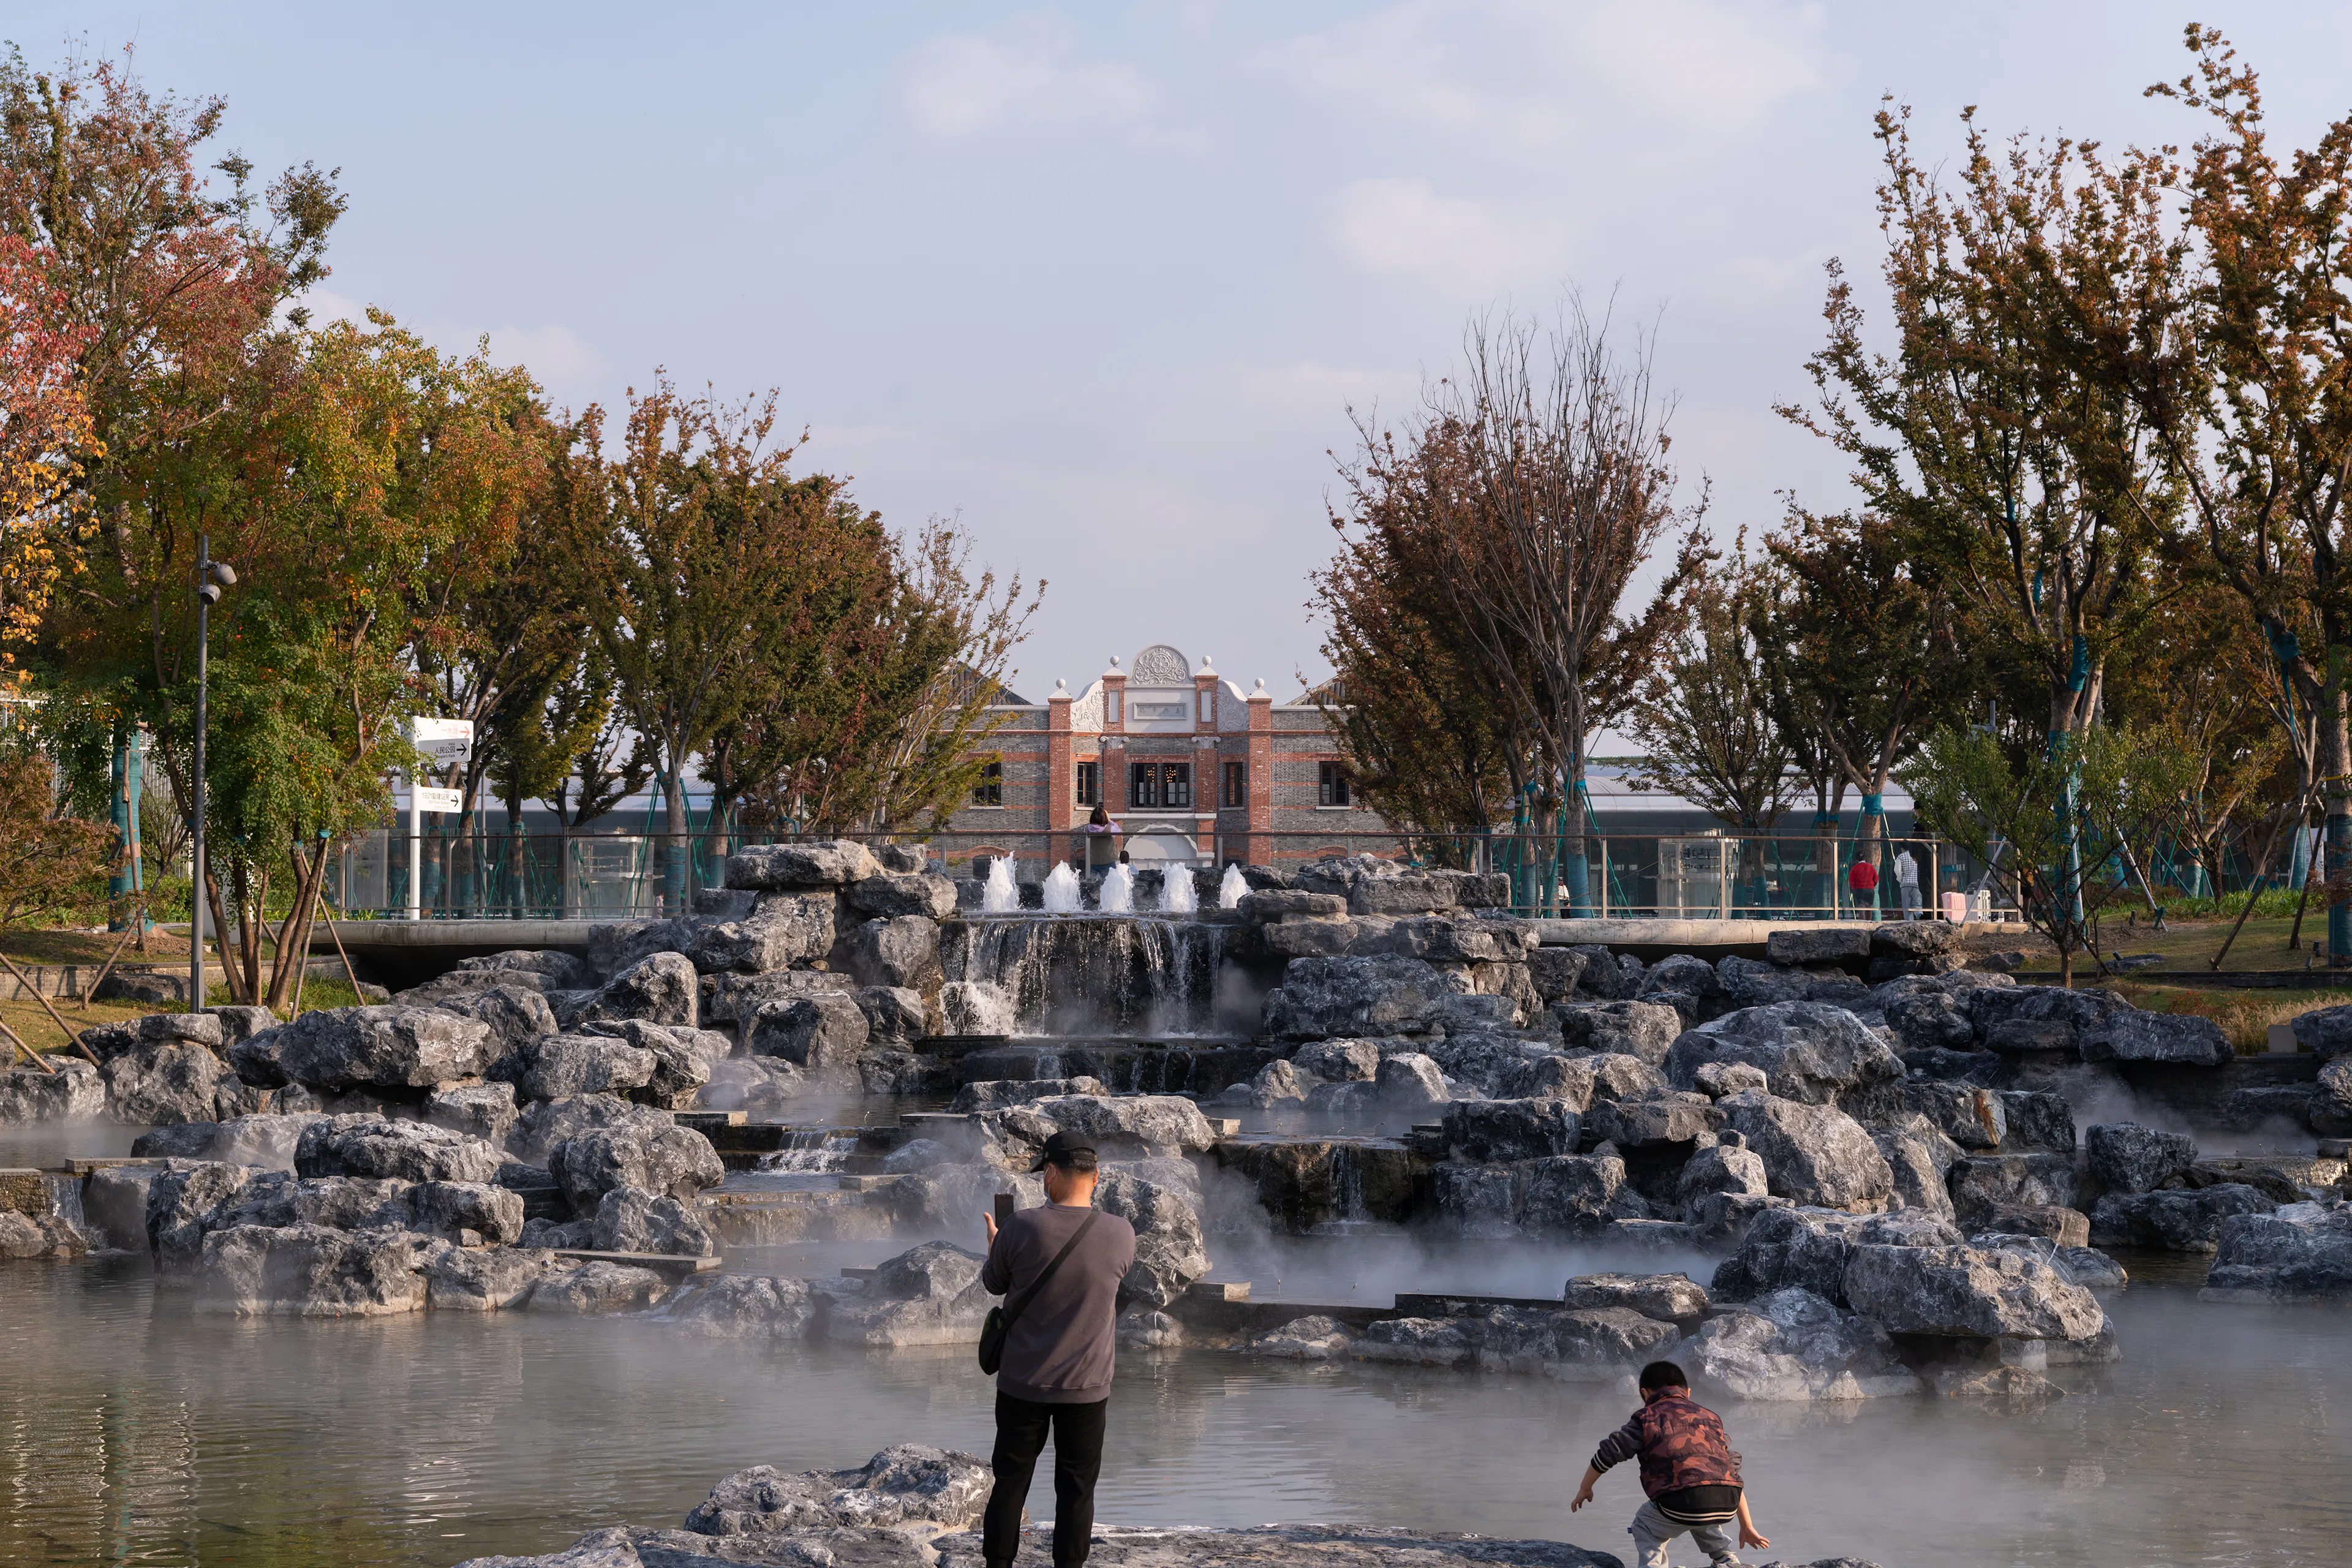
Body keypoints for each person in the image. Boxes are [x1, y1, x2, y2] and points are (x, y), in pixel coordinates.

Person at [979, 1130, 1138, 1568]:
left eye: (1041, 1174)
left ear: (1050, 1173)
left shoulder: (1019, 1227)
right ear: (1097, 1176)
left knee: (1011, 1482)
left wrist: (996, 1248)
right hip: (1087, 1387)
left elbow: (995, 1284)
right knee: (1076, 1489)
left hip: (1022, 1384)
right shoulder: (1122, 1233)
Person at [1570, 1360, 1767, 1568]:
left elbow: (1609, 1452)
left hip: (1679, 1502)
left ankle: (1653, 1566)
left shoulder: (1647, 1418)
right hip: (1726, 1503)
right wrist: (1747, 1526)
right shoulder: (1711, 1418)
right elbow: (1729, 1474)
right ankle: (1725, 1557)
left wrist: (1585, 1488)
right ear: (1688, 1393)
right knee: (1702, 1501)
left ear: (1645, 1394)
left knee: (1644, 1525)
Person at [1892, 848, 1921, 918]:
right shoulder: (1917, 856)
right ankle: (1920, 917)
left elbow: (1897, 870)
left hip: (1905, 885)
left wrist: (1900, 879)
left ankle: (1909, 923)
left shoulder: (1901, 856)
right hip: (1917, 884)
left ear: (1902, 849)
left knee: (1907, 907)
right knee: (1918, 905)